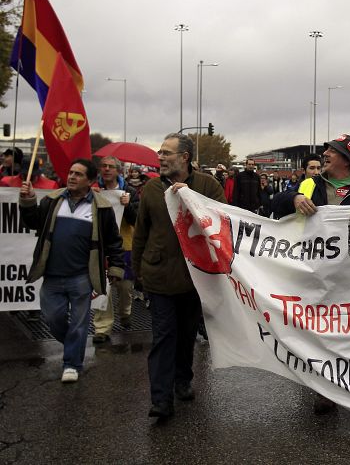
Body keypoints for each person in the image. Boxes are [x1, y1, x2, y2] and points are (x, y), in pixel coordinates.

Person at [271, 134, 350, 431]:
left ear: (345, 158)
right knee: (324, 337)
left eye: (331, 151)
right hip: (319, 276)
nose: (325, 154)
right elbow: (276, 203)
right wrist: (295, 198)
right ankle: (326, 391)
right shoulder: (310, 184)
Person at [132, 133, 227, 419]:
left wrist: (193, 200)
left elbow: (225, 222)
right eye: (159, 152)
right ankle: (160, 400)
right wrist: (139, 273)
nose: (160, 157)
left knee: (186, 335)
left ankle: (182, 380)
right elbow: (141, 234)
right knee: (163, 337)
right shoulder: (150, 189)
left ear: (184, 157)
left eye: (166, 153)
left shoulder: (208, 186)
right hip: (159, 277)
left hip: (194, 279)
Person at [19, 159, 125, 383]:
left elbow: (114, 241)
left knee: (79, 323)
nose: (72, 177)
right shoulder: (52, 200)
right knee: (52, 318)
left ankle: (72, 364)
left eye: (78, 174)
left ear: (90, 181)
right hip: (52, 276)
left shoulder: (102, 207)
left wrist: (116, 267)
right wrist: (27, 201)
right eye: (70, 172)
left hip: (81, 277)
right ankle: (72, 345)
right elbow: (33, 223)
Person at [91, 156, 139, 343]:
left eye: (111, 166)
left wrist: (128, 207)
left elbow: (136, 219)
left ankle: (125, 313)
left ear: (118, 170)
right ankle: (102, 328)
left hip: (124, 245)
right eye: (104, 166)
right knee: (103, 287)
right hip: (100, 245)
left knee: (125, 287)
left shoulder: (130, 192)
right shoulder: (93, 189)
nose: (107, 169)